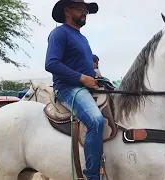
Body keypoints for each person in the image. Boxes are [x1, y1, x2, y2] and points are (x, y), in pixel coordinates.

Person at [45, 0, 104, 179]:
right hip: (67, 88)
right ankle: (92, 175)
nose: (85, 12)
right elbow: (51, 63)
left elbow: (82, 64)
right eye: (81, 9)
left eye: (86, 10)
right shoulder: (59, 33)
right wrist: (82, 78)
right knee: (96, 121)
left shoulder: (82, 37)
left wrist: (95, 77)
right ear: (68, 11)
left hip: (86, 86)